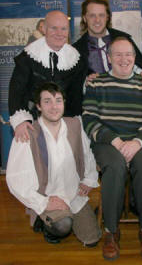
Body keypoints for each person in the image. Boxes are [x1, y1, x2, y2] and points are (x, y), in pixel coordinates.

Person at [82, 36, 142, 261]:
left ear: (134, 57)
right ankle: (111, 231)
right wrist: (116, 141)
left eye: (128, 54)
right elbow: (89, 119)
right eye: (117, 54)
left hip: (139, 140)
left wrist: (138, 141)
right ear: (108, 58)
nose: (123, 59)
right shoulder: (96, 83)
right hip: (108, 142)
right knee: (115, 166)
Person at [6, 82, 101, 246]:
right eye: (47, 101)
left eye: (58, 100)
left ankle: (65, 215)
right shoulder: (28, 133)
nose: (54, 106)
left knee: (92, 239)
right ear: (39, 106)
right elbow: (15, 178)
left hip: (74, 194)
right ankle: (45, 220)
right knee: (62, 226)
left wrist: (88, 179)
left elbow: (87, 155)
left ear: (64, 103)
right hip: (48, 195)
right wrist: (43, 202)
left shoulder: (75, 125)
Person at [8, 10, 86, 142]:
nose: (59, 33)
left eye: (63, 29)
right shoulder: (28, 57)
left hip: (64, 121)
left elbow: (76, 97)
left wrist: (73, 124)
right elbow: (16, 92)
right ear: (43, 28)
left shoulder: (76, 60)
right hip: (32, 120)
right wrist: (21, 121)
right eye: (53, 28)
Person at [73, 0, 142, 84]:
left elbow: (139, 68)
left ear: (107, 17)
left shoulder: (125, 39)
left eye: (101, 15)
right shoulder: (76, 50)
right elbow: (75, 87)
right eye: (92, 15)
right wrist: (86, 81)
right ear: (84, 18)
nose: (97, 20)